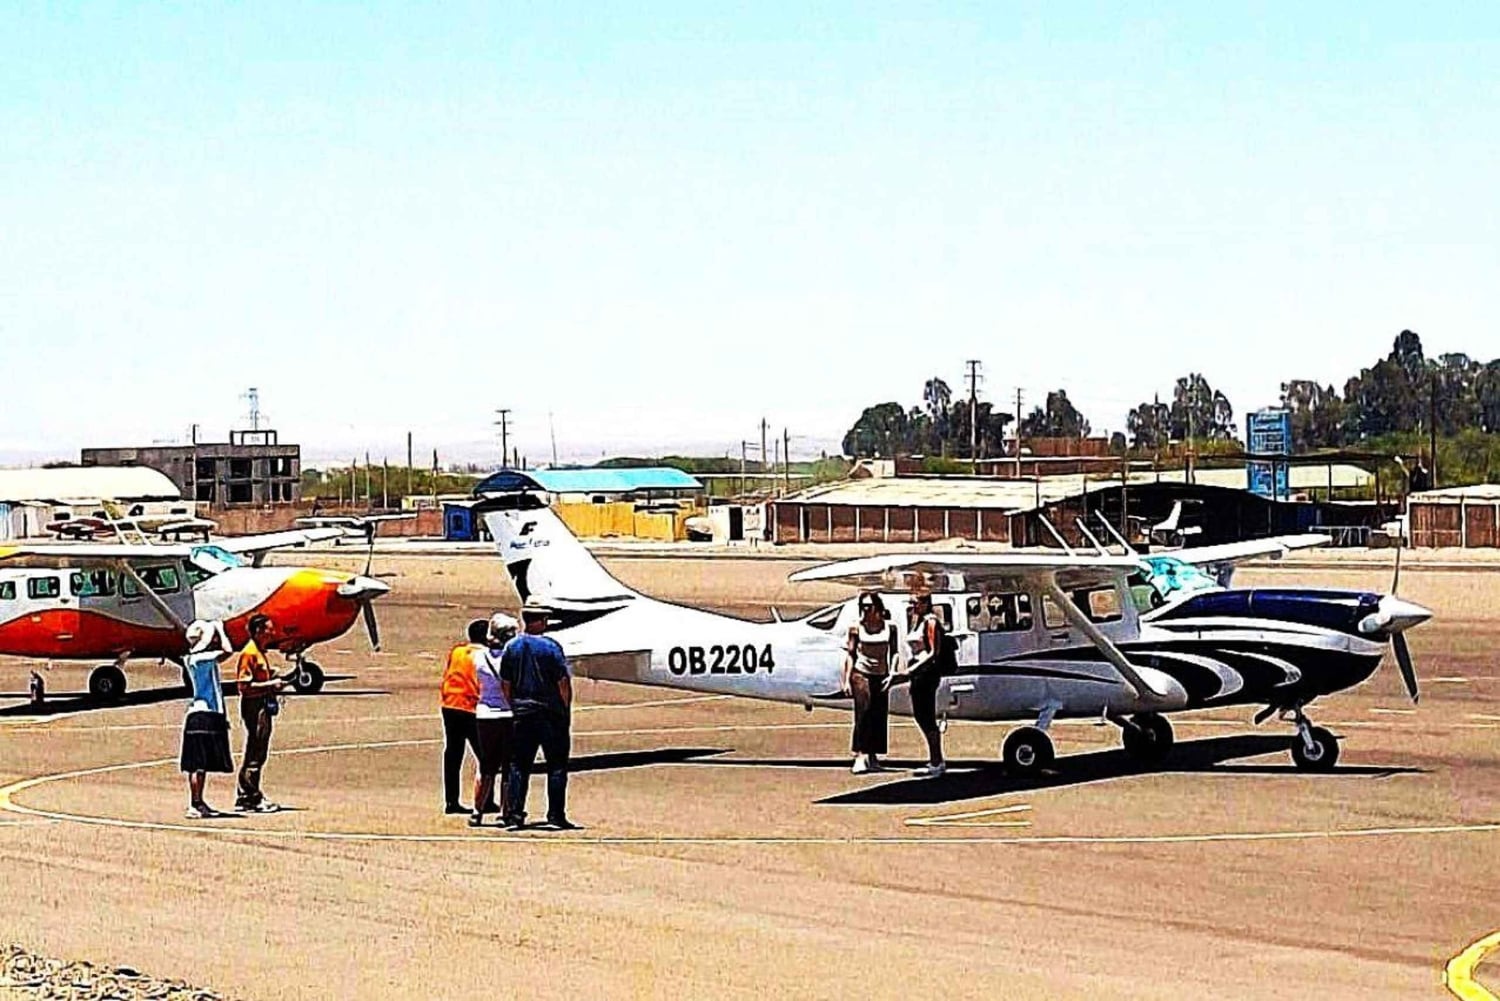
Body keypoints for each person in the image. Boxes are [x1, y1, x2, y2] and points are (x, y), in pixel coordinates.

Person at [501, 604, 575, 830]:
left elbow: (506, 683)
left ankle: (514, 813)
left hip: (523, 712)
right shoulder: (551, 647)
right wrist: (565, 710)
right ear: (541, 621)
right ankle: (555, 814)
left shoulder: (512, 647)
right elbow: (563, 682)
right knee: (557, 765)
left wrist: (513, 704)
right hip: (549, 711)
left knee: (519, 765)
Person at [888, 592, 953, 778]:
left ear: (925, 603)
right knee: (921, 716)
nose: (912, 606)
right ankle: (935, 759)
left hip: (926, 673)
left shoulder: (930, 622)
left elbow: (933, 652)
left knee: (925, 716)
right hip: (919, 672)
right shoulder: (918, 620)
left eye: (915, 603)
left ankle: (937, 761)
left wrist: (911, 670)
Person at [181, 619, 236, 818]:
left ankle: (198, 801)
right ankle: (195, 803)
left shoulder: (191, 659)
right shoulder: (202, 658)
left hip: (199, 713)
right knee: (199, 763)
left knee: (198, 763)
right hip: (205, 714)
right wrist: (221, 630)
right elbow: (228, 650)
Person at [469, 613, 518, 827]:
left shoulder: (479, 657)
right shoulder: (511, 658)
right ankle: (505, 812)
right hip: (507, 713)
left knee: (486, 767)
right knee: (508, 767)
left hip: (485, 713)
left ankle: (477, 811)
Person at [235, 613, 288, 813]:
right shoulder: (249, 653)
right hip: (254, 705)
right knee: (256, 749)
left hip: (261, 703)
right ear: (258, 631)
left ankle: (247, 794)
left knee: (258, 749)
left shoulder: (259, 651)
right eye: (268, 629)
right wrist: (270, 684)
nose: (272, 632)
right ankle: (250, 796)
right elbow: (244, 685)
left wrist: (270, 676)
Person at [842, 591, 896, 774]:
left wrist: (892, 672)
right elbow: (851, 654)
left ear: (877, 608)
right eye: (863, 606)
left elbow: (894, 652)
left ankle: (873, 755)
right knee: (863, 712)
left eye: (869, 606)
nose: (866, 610)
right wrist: (847, 680)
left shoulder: (890, 628)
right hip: (861, 672)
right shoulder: (856, 628)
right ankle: (860, 754)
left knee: (878, 713)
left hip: (881, 673)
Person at [440, 620, 485, 814]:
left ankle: (451, 800)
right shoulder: (483, 656)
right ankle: (485, 798)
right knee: (485, 756)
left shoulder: (457, 651)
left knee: (453, 753)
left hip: (450, 703)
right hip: (471, 706)